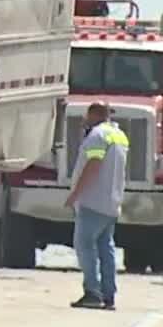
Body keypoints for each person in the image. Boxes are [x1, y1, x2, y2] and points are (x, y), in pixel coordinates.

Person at [64, 102, 129, 310]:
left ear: (94, 114)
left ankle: (92, 292)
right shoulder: (119, 135)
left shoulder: (97, 136)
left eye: (87, 115)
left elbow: (93, 165)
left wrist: (75, 194)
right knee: (105, 248)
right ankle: (108, 295)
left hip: (93, 201)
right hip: (111, 202)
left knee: (85, 246)